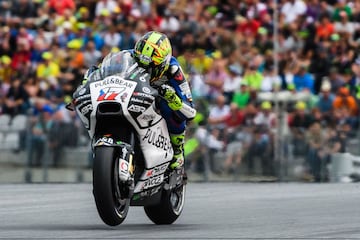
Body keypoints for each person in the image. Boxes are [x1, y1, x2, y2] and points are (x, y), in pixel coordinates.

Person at [82, 31, 196, 170]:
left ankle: (177, 150)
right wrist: (87, 81)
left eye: (150, 67)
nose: (145, 69)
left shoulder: (173, 70)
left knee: (171, 107)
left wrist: (172, 97)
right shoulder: (127, 56)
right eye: (141, 64)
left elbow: (190, 110)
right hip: (133, 96)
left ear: (163, 64)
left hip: (157, 101)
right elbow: (100, 71)